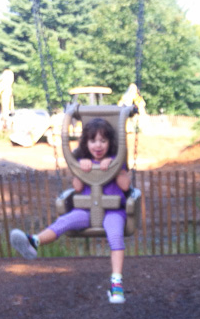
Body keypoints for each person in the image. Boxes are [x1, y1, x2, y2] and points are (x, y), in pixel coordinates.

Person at [9, 118, 131, 304]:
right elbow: (78, 188)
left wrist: (115, 168)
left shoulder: (117, 161)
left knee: (115, 235)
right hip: (87, 210)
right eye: (93, 140)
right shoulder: (82, 162)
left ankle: (116, 283)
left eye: (103, 140)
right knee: (64, 221)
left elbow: (125, 186)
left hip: (113, 211)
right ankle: (33, 242)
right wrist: (80, 171)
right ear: (86, 143)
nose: (98, 145)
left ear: (110, 143)